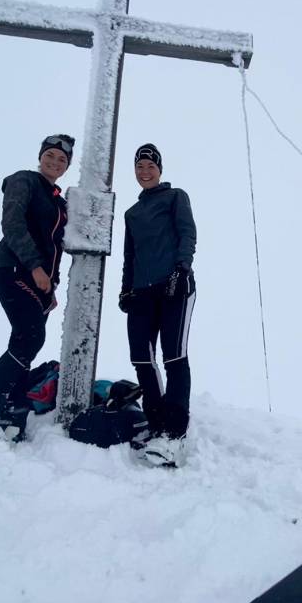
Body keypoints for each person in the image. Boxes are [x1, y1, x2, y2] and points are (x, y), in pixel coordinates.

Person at [0, 134, 73, 453]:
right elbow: (12, 222)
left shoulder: (58, 201)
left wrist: (51, 287)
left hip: (40, 282)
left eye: (62, 159)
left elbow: (56, 249)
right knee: (29, 338)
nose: (55, 162)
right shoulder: (25, 181)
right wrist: (34, 266)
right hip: (15, 269)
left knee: (27, 341)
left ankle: (10, 410)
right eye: (50, 155)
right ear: (40, 156)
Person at [119, 143, 197, 466]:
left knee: (173, 356)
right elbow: (129, 256)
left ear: (159, 169)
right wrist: (126, 290)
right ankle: (156, 424)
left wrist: (182, 269)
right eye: (139, 167)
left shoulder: (176, 196)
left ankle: (175, 432)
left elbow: (187, 232)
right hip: (142, 293)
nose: (144, 171)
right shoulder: (132, 213)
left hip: (174, 286)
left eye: (150, 166)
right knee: (141, 357)